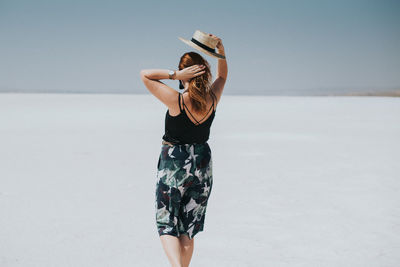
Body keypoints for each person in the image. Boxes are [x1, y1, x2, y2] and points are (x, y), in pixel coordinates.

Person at [140, 31, 228, 267]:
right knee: (187, 229)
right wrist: (220, 51)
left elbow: (145, 75)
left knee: (167, 223)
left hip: (175, 165)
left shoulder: (177, 100)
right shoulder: (212, 98)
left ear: (185, 73)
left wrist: (174, 75)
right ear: (203, 72)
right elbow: (222, 76)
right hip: (201, 163)